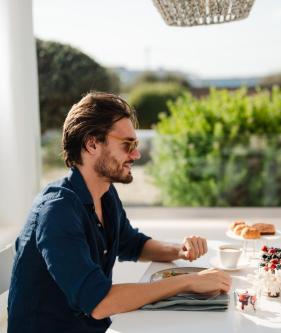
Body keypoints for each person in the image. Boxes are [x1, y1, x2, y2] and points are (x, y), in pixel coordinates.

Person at [8, 92, 231, 333]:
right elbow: (99, 302)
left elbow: (132, 244)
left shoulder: (105, 195)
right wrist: (189, 282)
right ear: (91, 143)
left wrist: (180, 251)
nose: (136, 154)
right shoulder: (56, 211)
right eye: (128, 145)